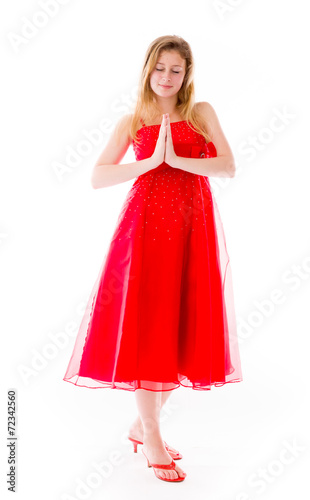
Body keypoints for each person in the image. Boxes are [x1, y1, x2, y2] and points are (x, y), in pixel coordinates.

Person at [63, 34, 243, 483]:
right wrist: (151, 162)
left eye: (175, 69)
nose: (166, 76)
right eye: (159, 68)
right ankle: (152, 435)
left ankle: (142, 426)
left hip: (190, 232)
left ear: (187, 74)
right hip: (143, 233)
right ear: (148, 69)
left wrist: (178, 159)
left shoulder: (200, 113)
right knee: (148, 328)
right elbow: (98, 177)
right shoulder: (133, 119)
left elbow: (227, 165)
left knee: (180, 329)